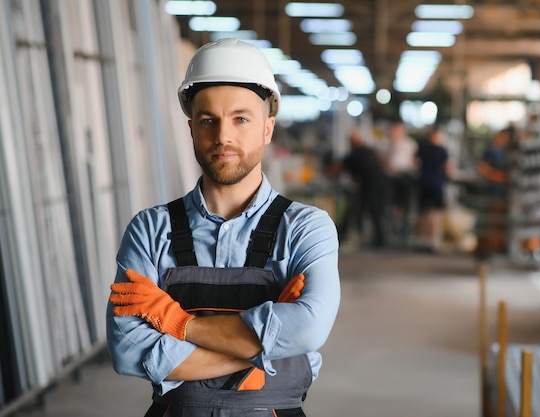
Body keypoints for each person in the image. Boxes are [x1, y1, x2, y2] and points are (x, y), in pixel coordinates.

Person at [106, 38, 341, 417]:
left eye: (241, 119)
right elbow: (128, 350)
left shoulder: (305, 228)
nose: (223, 137)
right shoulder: (149, 229)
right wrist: (268, 341)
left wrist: (180, 324)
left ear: (267, 128)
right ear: (191, 128)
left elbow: (309, 330)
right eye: (208, 120)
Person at [329, 127, 389, 248]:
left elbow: (340, 167)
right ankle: (379, 239)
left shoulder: (356, 154)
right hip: (380, 184)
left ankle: (347, 235)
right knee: (375, 212)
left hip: (372, 185)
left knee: (361, 210)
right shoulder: (369, 151)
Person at [415, 127, 453, 252]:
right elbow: (448, 168)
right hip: (437, 184)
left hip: (423, 183)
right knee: (435, 214)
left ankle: (420, 240)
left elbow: (414, 162)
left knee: (421, 212)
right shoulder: (442, 150)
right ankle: (432, 241)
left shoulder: (423, 148)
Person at [383, 122, 418, 228]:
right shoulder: (388, 143)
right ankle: (391, 220)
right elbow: (385, 159)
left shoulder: (410, 143)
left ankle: (401, 221)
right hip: (390, 175)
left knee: (403, 200)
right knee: (390, 199)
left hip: (404, 175)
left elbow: (413, 160)